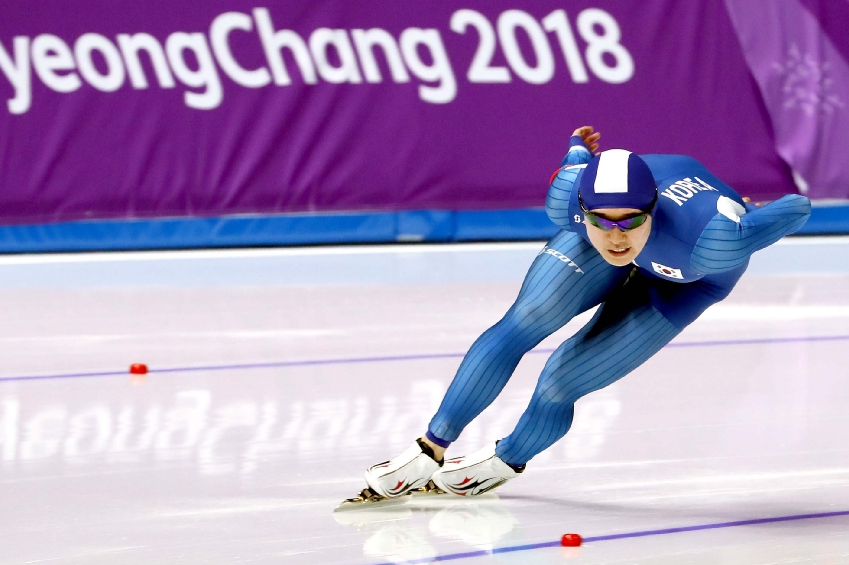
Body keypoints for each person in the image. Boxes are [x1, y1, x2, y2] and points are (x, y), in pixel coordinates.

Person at [346, 126, 811, 504]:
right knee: (526, 319)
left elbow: (800, 206)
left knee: (560, 381)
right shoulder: (568, 197)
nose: (616, 236)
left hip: (684, 275)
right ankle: (430, 446)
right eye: (601, 221)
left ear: (652, 211)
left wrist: (754, 221)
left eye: (630, 220)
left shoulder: (711, 242)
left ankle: (503, 461)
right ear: (581, 211)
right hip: (632, 229)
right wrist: (576, 148)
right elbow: (576, 164)